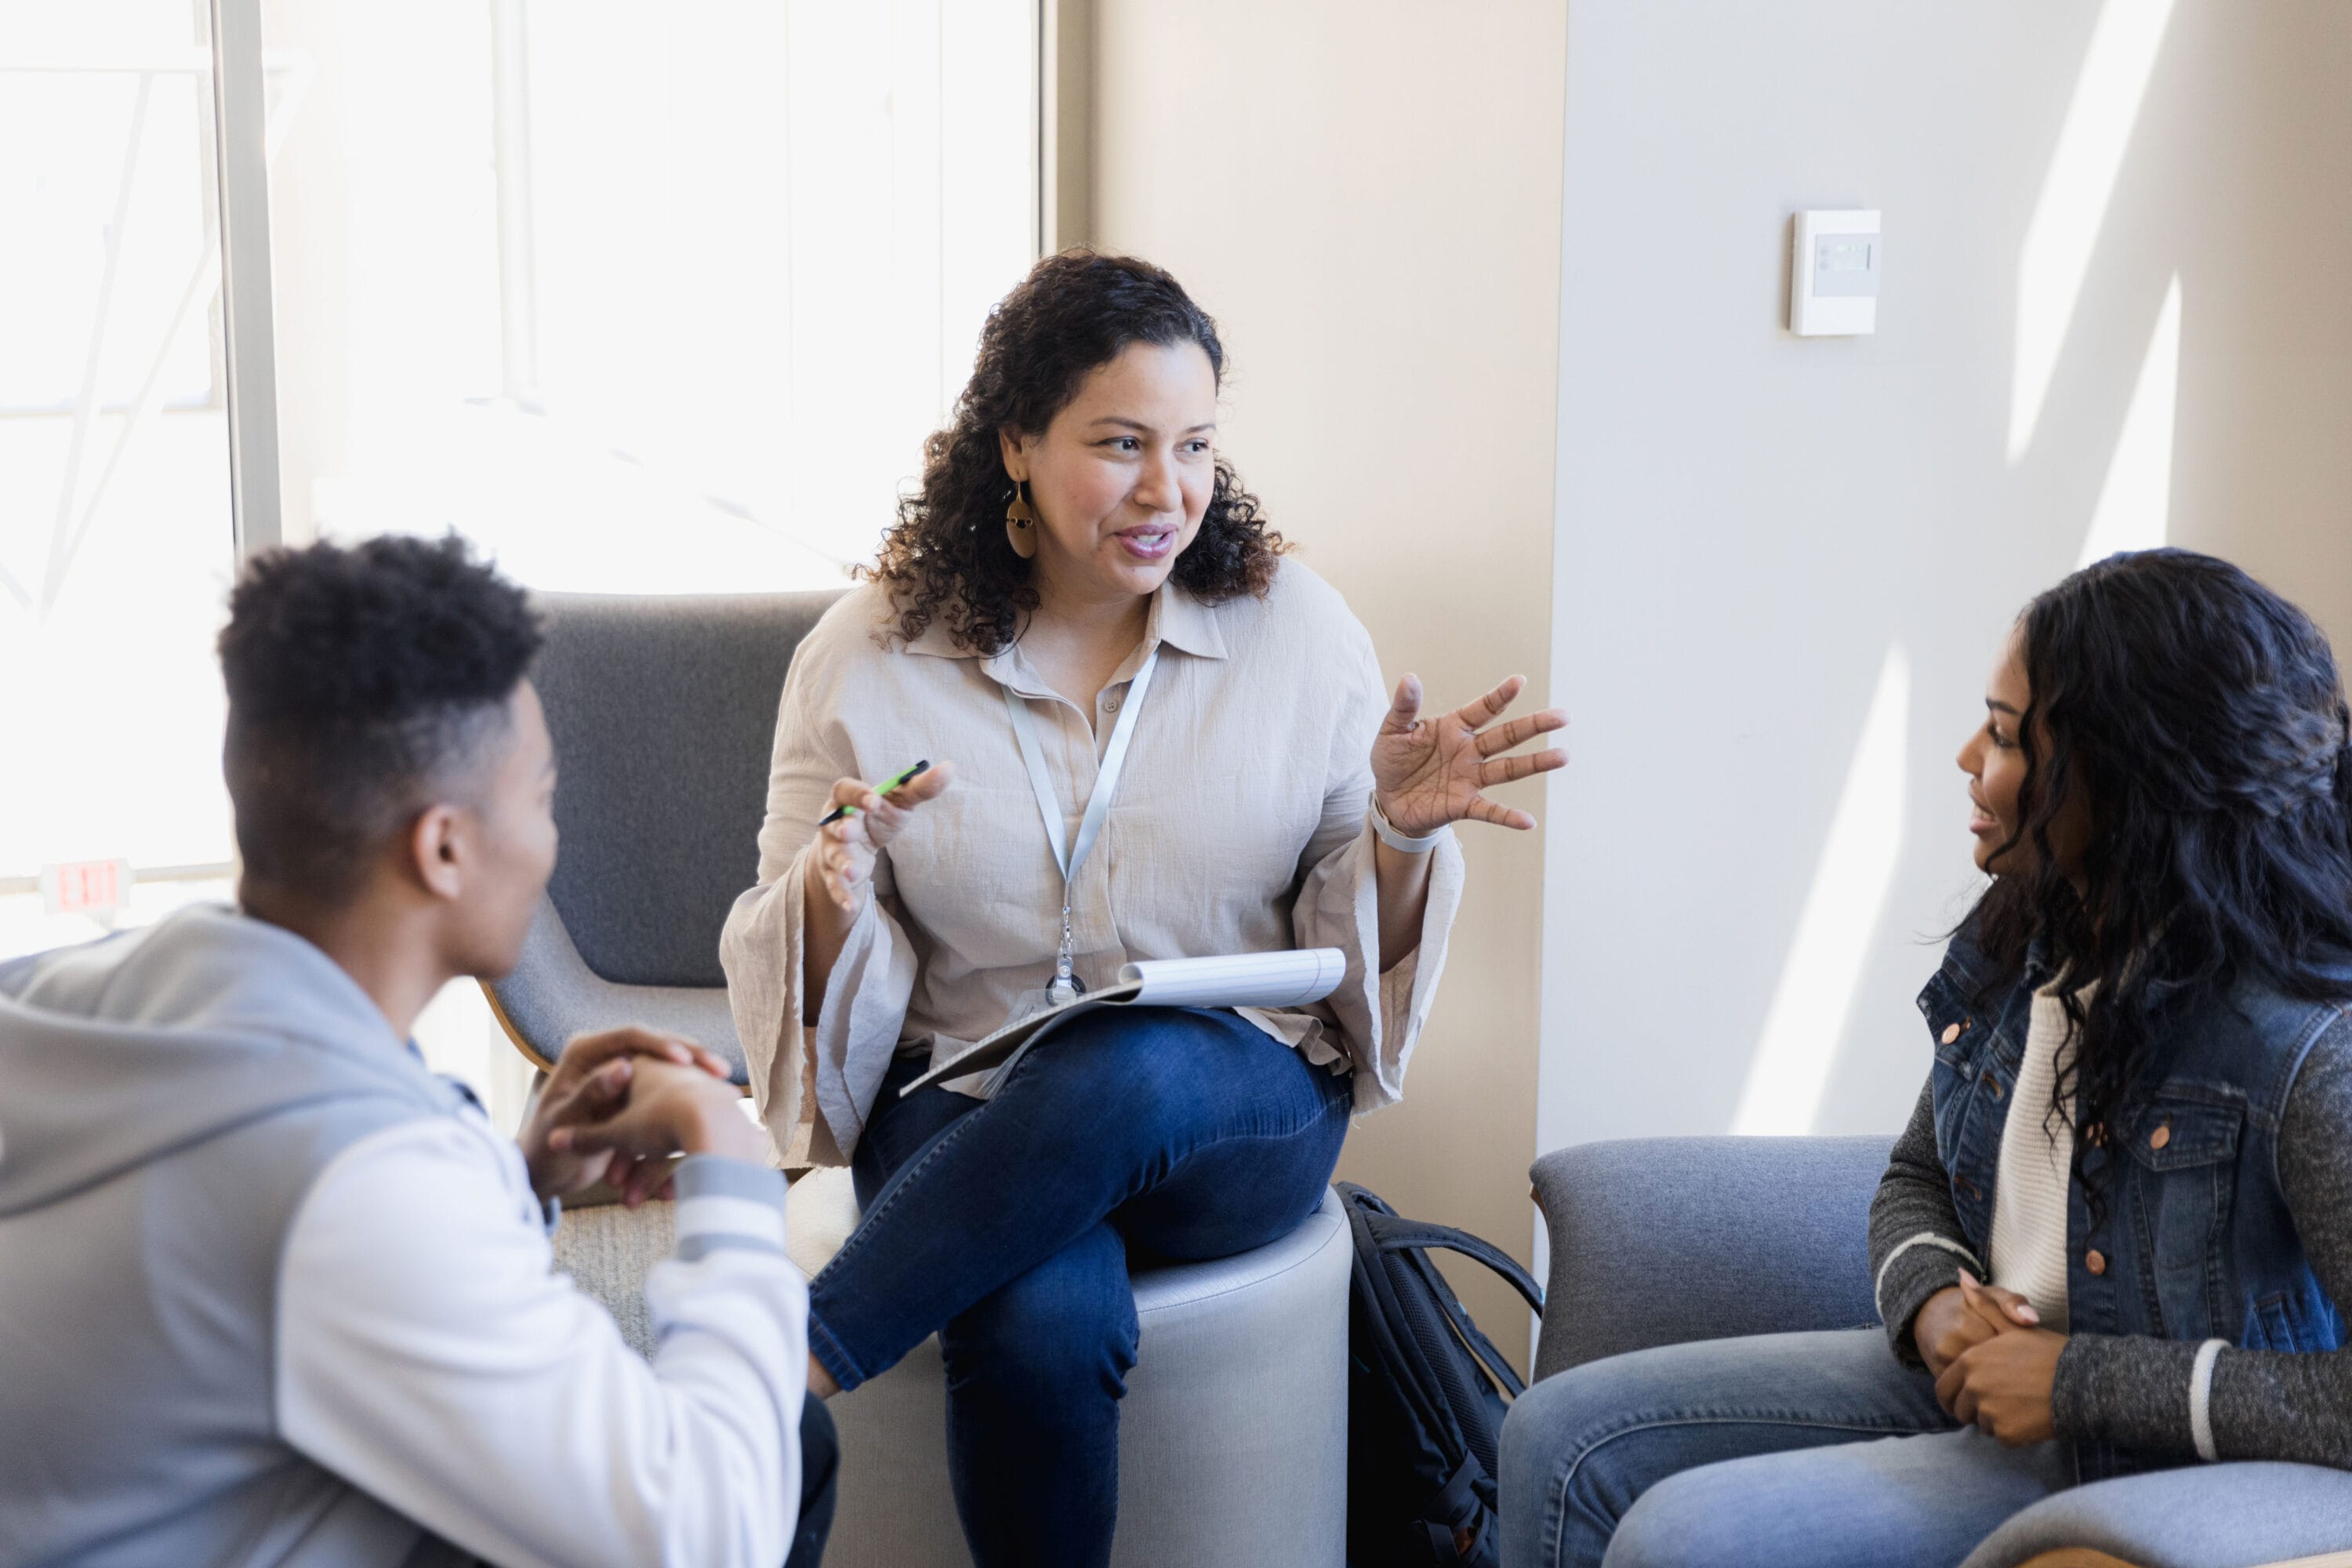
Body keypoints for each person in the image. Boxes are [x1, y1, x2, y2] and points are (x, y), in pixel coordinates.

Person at [721, 249, 1566, 1567]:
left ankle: (792, 1371)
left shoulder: (1294, 631)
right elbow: (797, 955)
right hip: (962, 1093)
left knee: (1126, 1056)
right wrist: (833, 892)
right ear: (1014, 441)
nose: (1167, 491)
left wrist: (1399, 830)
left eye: (1194, 445)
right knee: (1034, 1317)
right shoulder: (865, 657)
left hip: (1233, 1108)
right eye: (1120, 444)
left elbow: (1349, 962)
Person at [1497, 548, 2352, 1568]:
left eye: (2001, 734)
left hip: (2157, 1456)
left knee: (1679, 1540)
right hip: (1990, 1383)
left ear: (2128, 777)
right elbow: (1915, 1176)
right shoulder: (2025, 930)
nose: (1963, 758)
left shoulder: (2301, 1042)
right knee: (1553, 1435)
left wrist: (2076, 1382)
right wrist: (1934, 1300)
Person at [0, 535, 834, 1568]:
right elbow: (710, 1533)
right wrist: (730, 1168)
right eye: (539, 798)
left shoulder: (81, 995)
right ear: (443, 847)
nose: (550, 840)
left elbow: (305, 1249)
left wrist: (512, 1173)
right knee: (777, 1447)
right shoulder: (353, 1179)